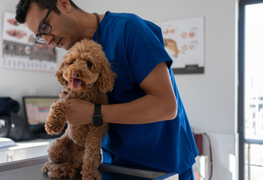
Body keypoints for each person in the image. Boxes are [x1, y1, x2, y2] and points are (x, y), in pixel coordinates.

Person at [15, 0, 198, 179]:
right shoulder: (76, 53)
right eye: (39, 36)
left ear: (64, 4)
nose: (47, 41)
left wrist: (94, 113)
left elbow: (166, 106)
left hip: (161, 165)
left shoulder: (129, 30)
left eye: (45, 27)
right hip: (113, 165)